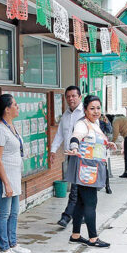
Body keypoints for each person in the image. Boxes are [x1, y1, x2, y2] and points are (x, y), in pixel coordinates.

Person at [65, 95, 117, 248]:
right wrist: (74, 147)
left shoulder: (95, 124)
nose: (96, 111)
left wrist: (108, 144)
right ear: (85, 109)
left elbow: (94, 142)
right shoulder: (82, 124)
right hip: (86, 170)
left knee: (81, 202)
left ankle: (75, 235)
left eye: (98, 108)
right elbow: (76, 137)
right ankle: (93, 238)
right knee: (90, 203)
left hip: (92, 168)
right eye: (92, 108)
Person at [0, 94, 31, 253]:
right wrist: (6, 183)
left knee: (14, 212)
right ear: (7, 109)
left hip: (14, 176)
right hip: (4, 178)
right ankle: (4, 249)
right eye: (15, 105)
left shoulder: (11, 126)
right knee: (4, 213)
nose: (18, 107)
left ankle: (13, 244)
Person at [50, 86, 84, 228]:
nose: (71, 99)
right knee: (79, 187)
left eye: (73, 96)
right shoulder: (65, 115)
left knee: (76, 187)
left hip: (83, 157)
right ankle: (81, 214)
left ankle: (67, 216)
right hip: (71, 156)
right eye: (68, 96)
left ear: (80, 97)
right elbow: (60, 135)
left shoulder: (85, 113)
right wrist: (52, 150)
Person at [99, 114, 113, 194]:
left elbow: (109, 130)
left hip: (101, 146)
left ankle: (107, 186)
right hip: (91, 146)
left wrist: (107, 122)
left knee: (104, 166)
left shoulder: (102, 122)